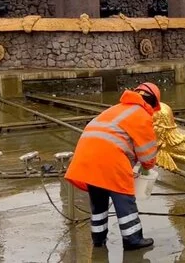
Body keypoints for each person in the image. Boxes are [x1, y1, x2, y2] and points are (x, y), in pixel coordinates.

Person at [64, 82, 161, 250]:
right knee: (124, 200)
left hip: (86, 158)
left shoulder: (116, 109)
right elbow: (147, 153)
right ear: (153, 103)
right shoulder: (141, 114)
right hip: (110, 160)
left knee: (98, 202)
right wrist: (147, 165)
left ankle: (98, 238)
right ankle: (133, 239)